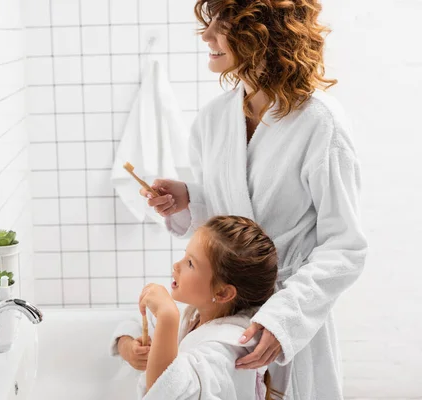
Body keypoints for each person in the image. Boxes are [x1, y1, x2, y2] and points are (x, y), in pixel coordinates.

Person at [130, 0, 368, 398]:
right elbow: (227, 225)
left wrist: (284, 320)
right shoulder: (213, 119)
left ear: (264, 35)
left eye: (221, 27)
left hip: (285, 317)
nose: (205, 36)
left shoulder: (320, 123)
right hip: (222, 311)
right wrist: (189, 199)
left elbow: (345, 246)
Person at [113, 215, 281, 399]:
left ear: (223, 293)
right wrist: (128, 347)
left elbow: (167, 393)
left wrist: (167, 318)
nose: (176, 265)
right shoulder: (193, 314)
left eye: (190, 263)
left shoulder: (228, 350)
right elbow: (135, 323)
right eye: (185, 256)